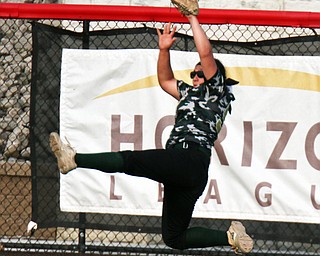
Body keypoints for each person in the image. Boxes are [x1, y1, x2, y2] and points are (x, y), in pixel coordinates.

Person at [49, 13, 253, 254]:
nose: (195, 76)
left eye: (200, 73)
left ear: (213, 77)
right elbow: (165, 80)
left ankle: (74, 159)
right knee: (174, 237)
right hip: (190, 171)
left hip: (188, 158)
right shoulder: (189, 93)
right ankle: (230, 238)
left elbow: (206, 55)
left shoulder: (216, 91)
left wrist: (192, 18)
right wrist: (164, 50)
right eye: (193, 74)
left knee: (131, 161)